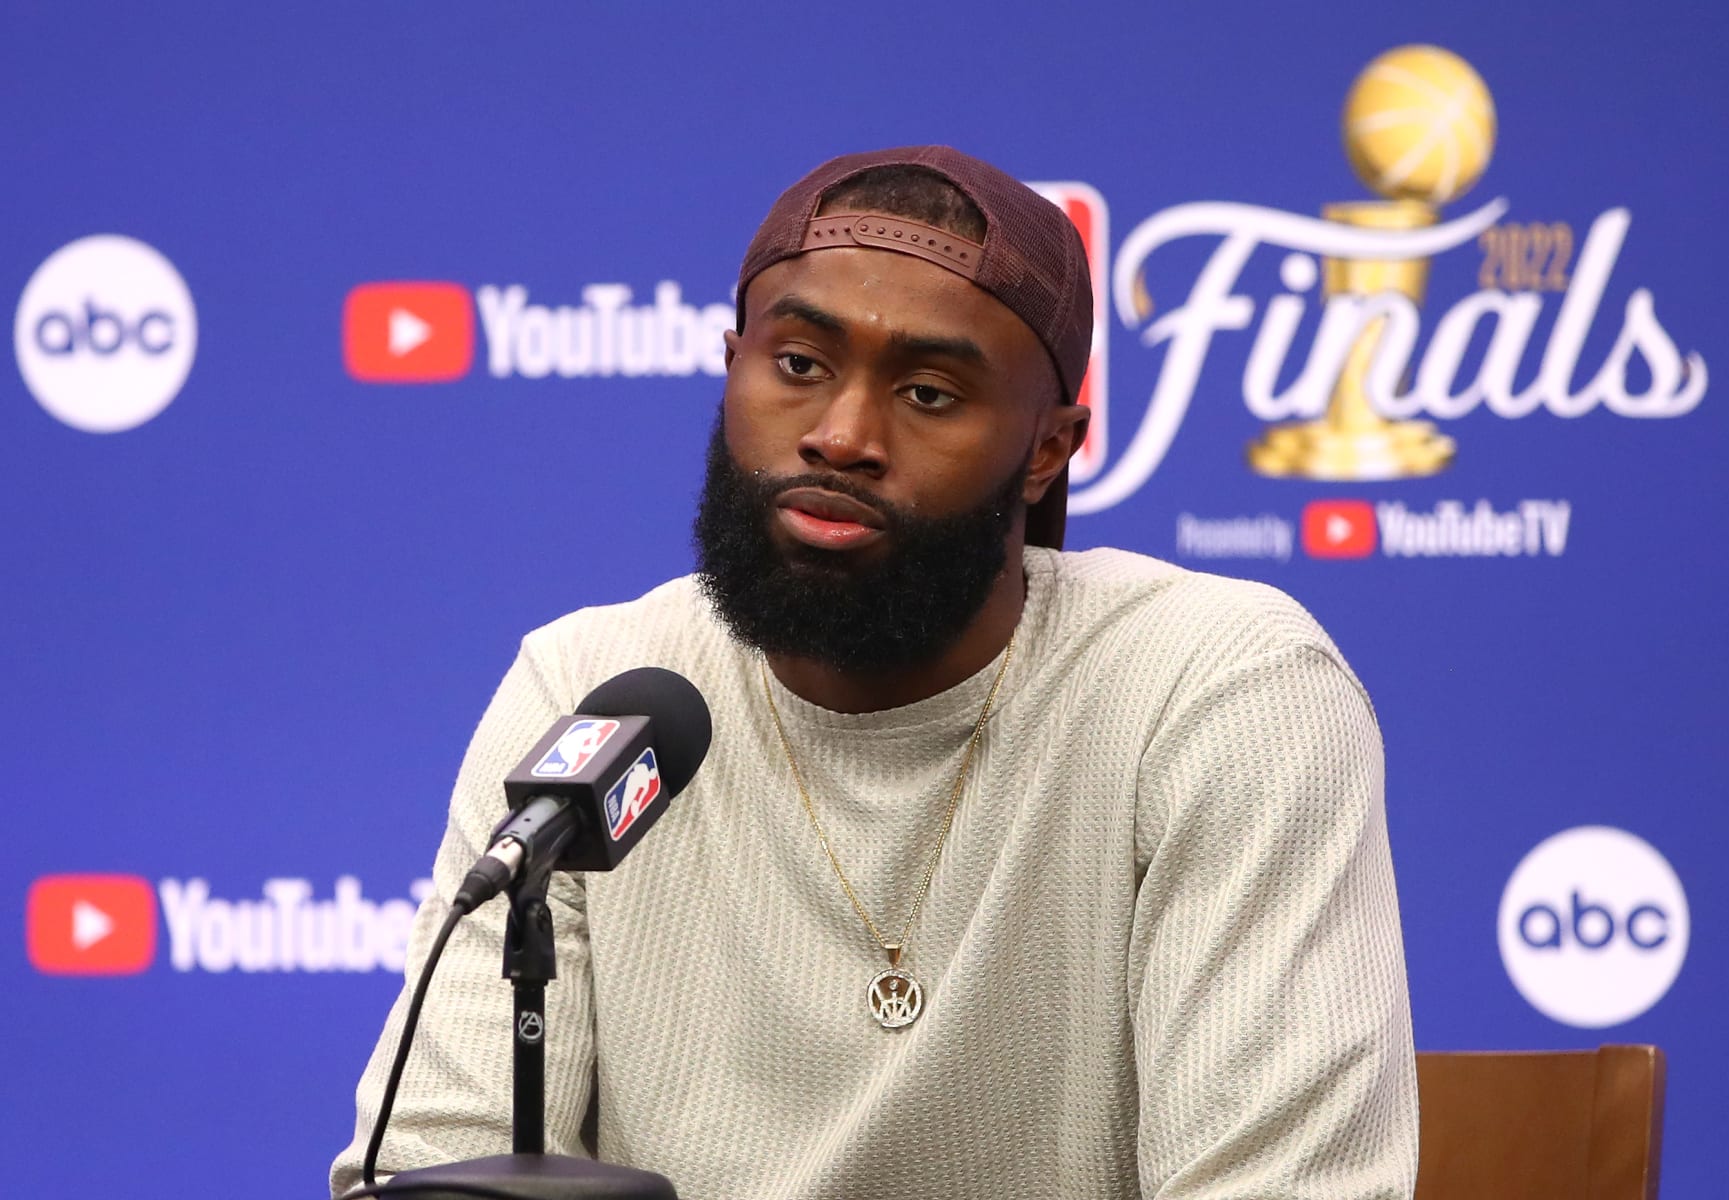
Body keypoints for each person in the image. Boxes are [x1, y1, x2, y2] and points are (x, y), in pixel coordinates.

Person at [331, 145, 1418, 1199]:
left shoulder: (1218, 691)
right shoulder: (593, 688)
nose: (842, 436)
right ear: (732, 367)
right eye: (799, 366)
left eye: (930, 394)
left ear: (1048, 449)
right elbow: (436, 1165)